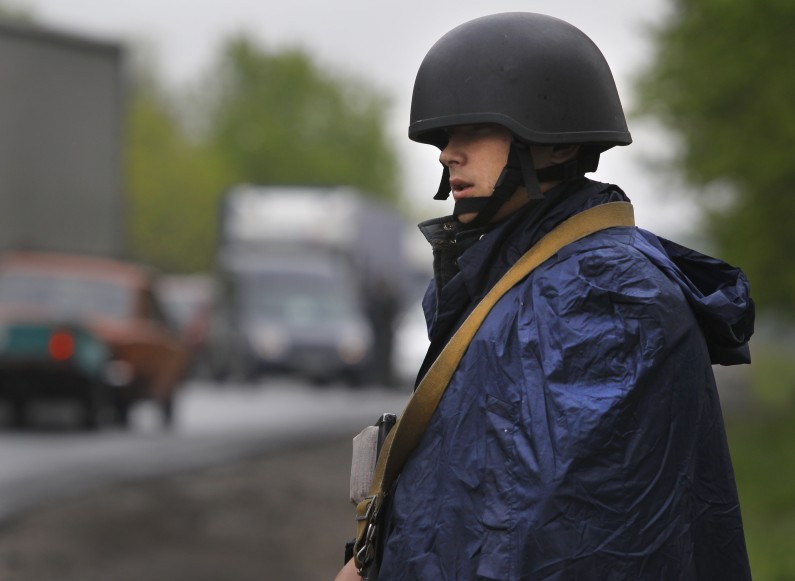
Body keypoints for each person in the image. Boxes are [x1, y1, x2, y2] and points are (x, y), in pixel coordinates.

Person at [337, 12, 754, 580]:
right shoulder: (525, 277)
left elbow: (553, 541)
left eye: (472, 131)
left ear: (556, 146)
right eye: (443, 138)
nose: (446, 154)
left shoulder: (605, 294)